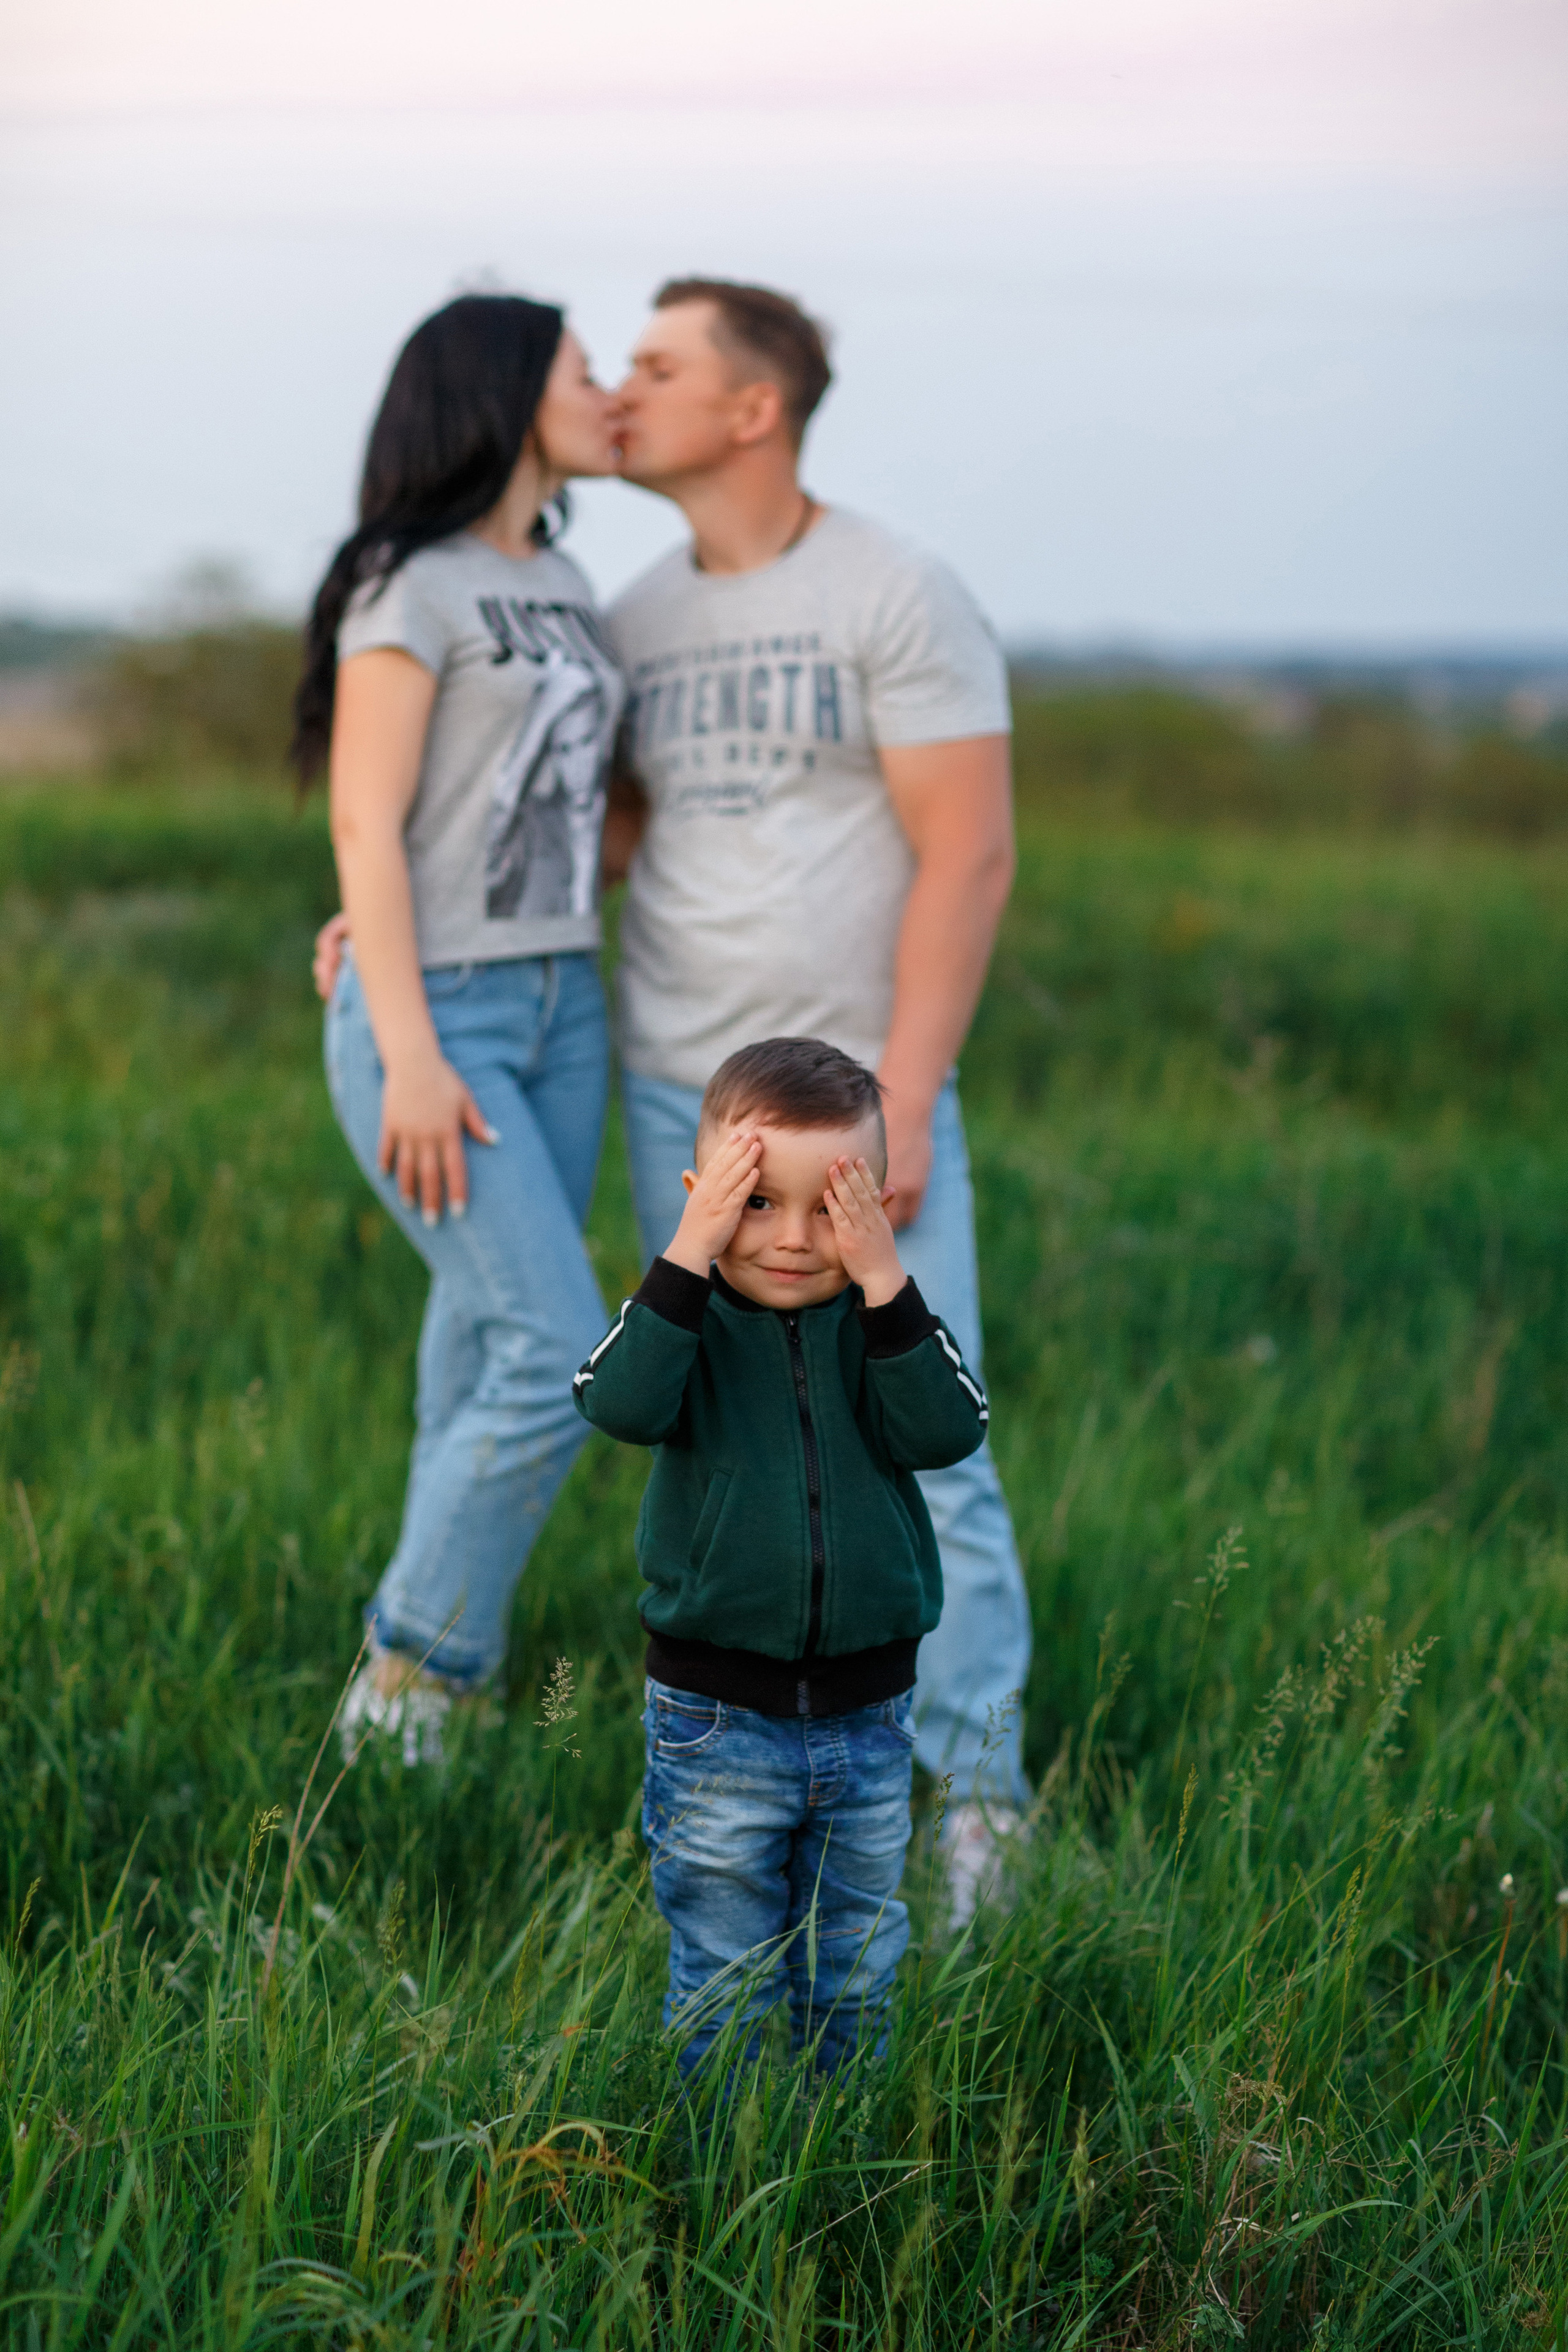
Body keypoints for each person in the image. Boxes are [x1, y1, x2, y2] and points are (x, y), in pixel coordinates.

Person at [604, 279, 1032, 1914]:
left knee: (930, 1436)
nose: (622, 389)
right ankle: (744, 1780)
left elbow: (968, 849)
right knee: (718, 1429)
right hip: (682, 1095)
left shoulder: (897, 587)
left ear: (752, 406)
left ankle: (978, 1794)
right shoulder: (637, 614)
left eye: (657, 365)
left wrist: (909, 1094)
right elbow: (606, 844)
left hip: (862, 1102)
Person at [292, 292, 625, 1762]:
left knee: (477, 1344)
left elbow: (566, 809)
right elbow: (365, 812)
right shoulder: (406, 585)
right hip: (446, 1014)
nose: (607, 388)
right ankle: (410, 1682)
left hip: (567, 998)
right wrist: (408, 1042)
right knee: (558, 1354)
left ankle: (418, 1707)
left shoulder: (569, 587)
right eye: (581, 367)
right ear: (504, 392)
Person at [574, 1038, 989, 2071]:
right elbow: (615, 1404)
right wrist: (686, 1257)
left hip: (869, 1717)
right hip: (716, 1722)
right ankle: (727, 2174)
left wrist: (887, 1281)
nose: (794, 1240)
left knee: (855, 1963)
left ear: (875, 1205)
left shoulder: (881, 1325)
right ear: (703, 1196)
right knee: (724, 1970)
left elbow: (950, 1432)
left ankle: (839, 2161)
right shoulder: (687, 1323)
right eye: (758, 1203)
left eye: (829, 1207)